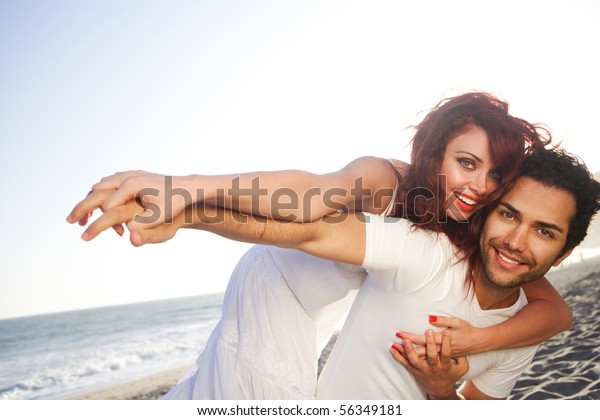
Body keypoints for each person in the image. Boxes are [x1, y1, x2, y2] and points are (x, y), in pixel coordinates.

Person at [68, 92, 571, 399]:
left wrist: (473, 341)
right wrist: (187, 191)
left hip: (315, 312)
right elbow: (305, 199)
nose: (480, 185)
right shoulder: (388, 180)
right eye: (466, 162)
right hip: (280, 278)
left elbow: (554, 313)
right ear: (436, 151)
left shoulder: (480, 222)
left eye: (496, 174)